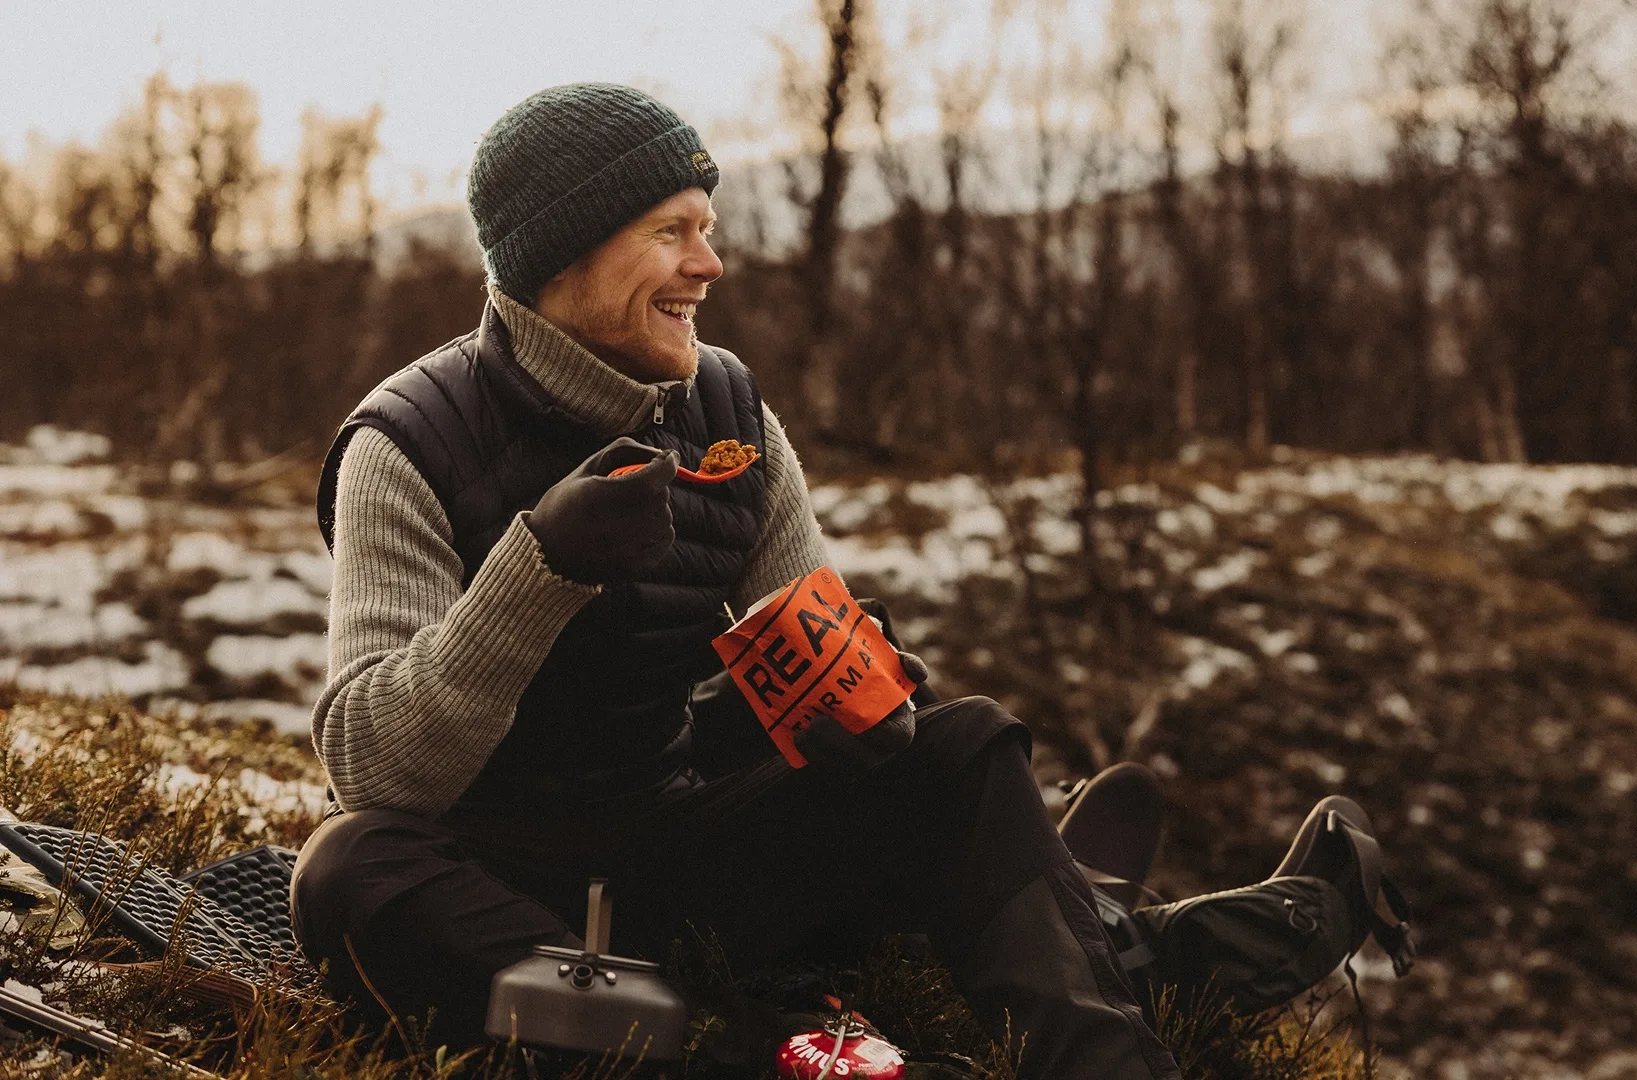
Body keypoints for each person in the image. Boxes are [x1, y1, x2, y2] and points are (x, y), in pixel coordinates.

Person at [289, 82, 1185, 1079]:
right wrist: (539, 568)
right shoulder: (407, 444)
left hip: (673, 855)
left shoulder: (732, 417)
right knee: (345, 872)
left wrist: (865, 695)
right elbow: (372, 768)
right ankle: (745, 1050)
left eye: (707, 229)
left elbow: (817, 658)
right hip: (491, 894)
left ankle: (1106, 1046)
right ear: (561, 252)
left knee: (959, 743)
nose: (708, 265)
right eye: (671, 232)